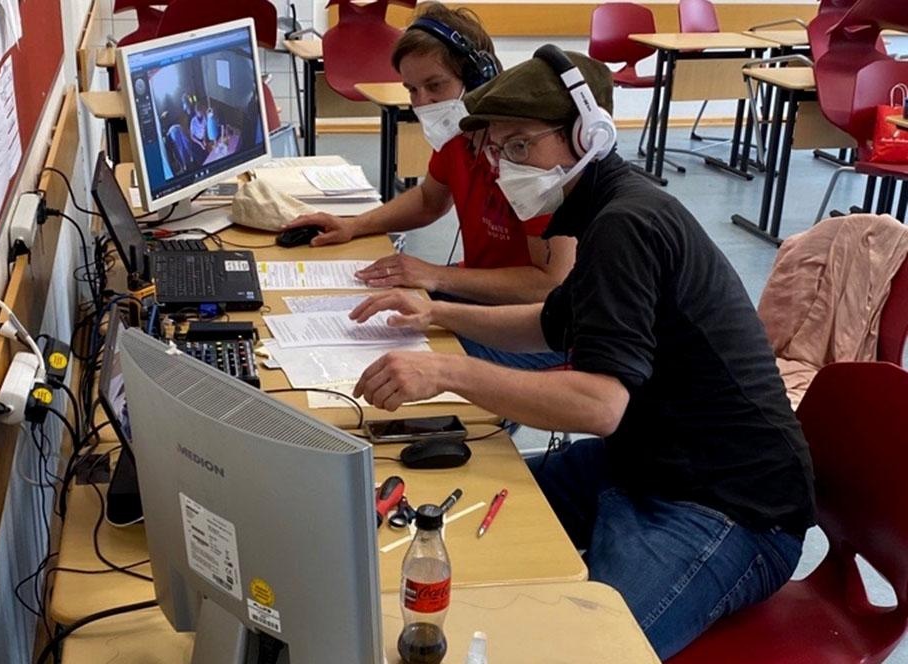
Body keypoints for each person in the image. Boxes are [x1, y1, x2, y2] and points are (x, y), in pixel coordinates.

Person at [347, 49, 815, 659]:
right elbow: (551, 323)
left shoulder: (627, 224)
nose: (506, 167)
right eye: (499, 150)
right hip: (646, 463)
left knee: (585, 649)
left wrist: (447, 370)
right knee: (456, 528)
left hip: (730, 506)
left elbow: (598, 405)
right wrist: (437, 313)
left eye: (521, 146)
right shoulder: (601, 209)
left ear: (588, 134)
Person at [284, 2, 576, 370]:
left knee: (409, 362)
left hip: (546, 326)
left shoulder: (529, 155)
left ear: (478, 79)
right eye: (412, 89)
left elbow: (548, 284)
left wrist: (437, 276)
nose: (423, 103)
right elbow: (428, 201)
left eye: (435, 85)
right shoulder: (458, 135)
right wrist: (353, 225)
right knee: (381, 316)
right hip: (482, 295)